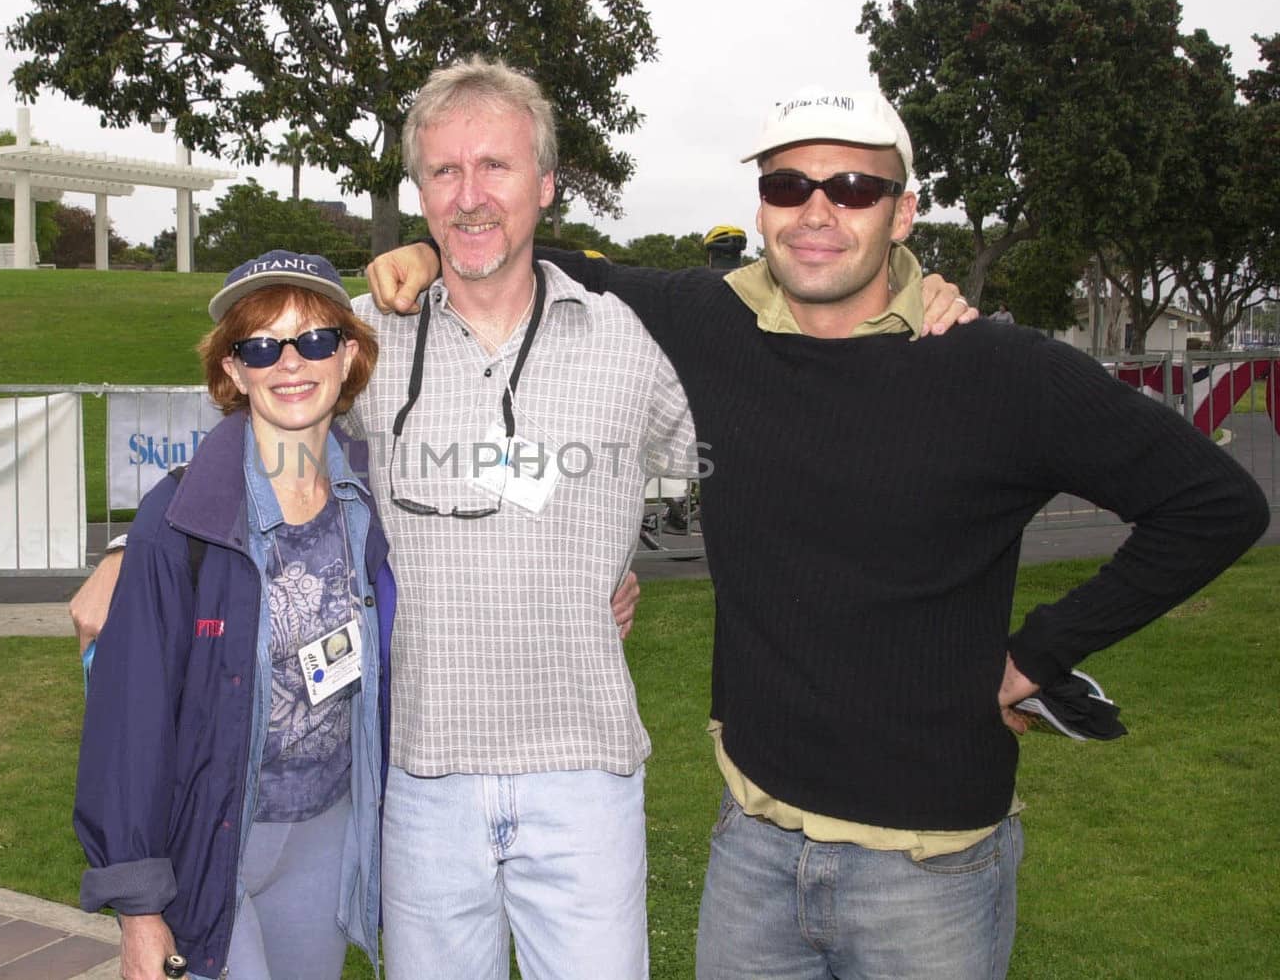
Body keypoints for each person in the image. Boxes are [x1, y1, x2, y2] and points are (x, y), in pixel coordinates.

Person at [70, 61, 972, 980]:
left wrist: (900, 297)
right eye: (445, 172)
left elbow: (796, 425)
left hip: (585, 776)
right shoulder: (367, 341)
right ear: (418, 192)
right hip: (421, 781)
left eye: (495, 167)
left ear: (545, 185)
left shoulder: (634, 338)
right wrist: (128, 549)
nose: (470, 197)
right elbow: (260, 437)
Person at [369, 84, 1270, 979]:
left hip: (930, 872)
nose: (817, 211)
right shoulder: (711, 325)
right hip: (752, 847)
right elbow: (533, 250)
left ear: (904, 212)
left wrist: (1039, 654)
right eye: (788, 187)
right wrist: (427, 240)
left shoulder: (997, 368)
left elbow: (1214, 505)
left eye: (854, 188)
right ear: (761, 209)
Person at [74, 249, 395, 980]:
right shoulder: (179, 520)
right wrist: (138, 910)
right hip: (211, 839)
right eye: (260, 345)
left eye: (314, 340)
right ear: (231, 371)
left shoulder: (374, 502)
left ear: (348, 358)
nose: (291, 362)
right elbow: (130, 722)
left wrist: (600, 578)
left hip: (324, 830)